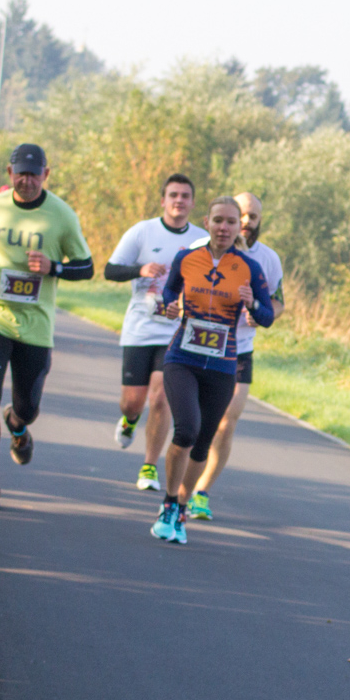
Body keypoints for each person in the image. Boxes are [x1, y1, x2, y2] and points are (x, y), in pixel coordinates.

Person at [0, 143, 93, 509]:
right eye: (21, 173)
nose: (27, 181)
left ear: (46, 174)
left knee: (26, 408)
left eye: (34, 174)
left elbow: (87, 267)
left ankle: (17, 426)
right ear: (9, 172)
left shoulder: (61, 215)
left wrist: (54, 268)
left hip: (36, 325)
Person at [148, 197, 275, 544]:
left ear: (239, 228)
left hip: (222, 365)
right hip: (182, 357)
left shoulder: (250, 268)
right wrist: (169, 307)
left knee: (203, 443)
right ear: (207, 222)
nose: (223, 227)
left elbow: (268, 317)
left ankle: (183, 505)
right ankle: (169, 503)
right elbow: (169, 294)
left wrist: (251, 304)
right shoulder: (187, 258)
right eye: (218, 220)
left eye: (230, 222)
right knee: (186, 430)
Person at [183, 191, 284, 521]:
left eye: (252, 217)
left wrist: (262, 313)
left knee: (226, 423)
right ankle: (180, 481)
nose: (245, 222)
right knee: (193, 422)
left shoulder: (267, 259)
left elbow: (277, 303)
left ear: (258, 222)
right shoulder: (200, 250)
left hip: (238, 349)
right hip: (197, 345)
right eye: (239, 215)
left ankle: (201, 492)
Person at [102, 174, 204, 491]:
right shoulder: (143, 231)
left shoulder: (202, 240)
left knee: (161, 397)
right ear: (162, 200)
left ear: (192, 202)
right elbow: (109, 270)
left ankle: (148, 466)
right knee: (133, 402)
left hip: (176, 331)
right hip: (140, 327)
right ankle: (130, 420)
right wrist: (140, 269)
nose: (179, 201)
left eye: (185, 196)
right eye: (173, 195)